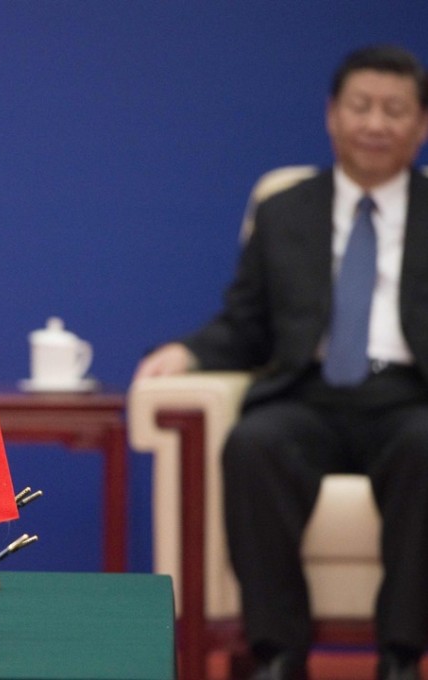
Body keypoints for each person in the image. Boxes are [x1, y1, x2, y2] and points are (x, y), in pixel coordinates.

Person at [134, 45, 428, 680]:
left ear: (421, 125)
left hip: (411, 399)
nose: (375, 124)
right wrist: (187, 352)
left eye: (395, 110)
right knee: (253, 445)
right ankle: (277, 653)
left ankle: (402, 655)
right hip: (310, 395)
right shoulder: (284, 209)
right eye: (361, 106)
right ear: (332, 115)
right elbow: (247, 323)